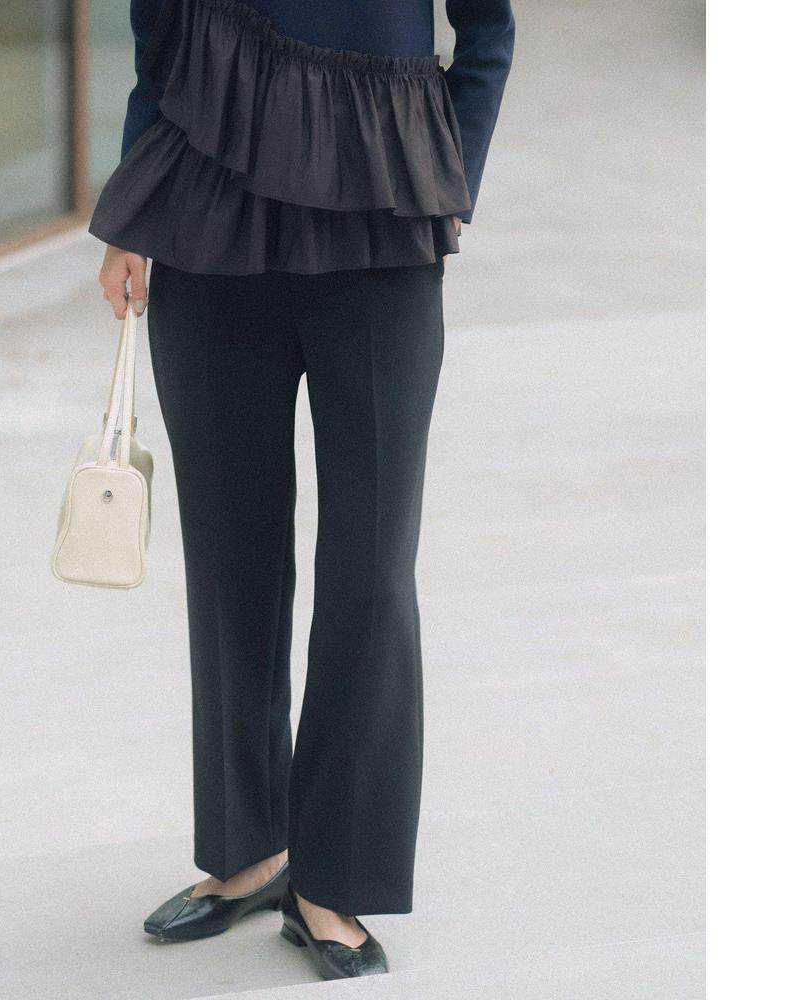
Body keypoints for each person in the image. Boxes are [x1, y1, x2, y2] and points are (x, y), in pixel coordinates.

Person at [89, 0, 514, 980]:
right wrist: (131, 215)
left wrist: (455, 176)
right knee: (228, 556)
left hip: (382, 221)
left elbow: (488, 30)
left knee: (372, 569)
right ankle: (249, 848)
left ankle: (335, 878)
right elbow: (160, 40)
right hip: (205, 220)